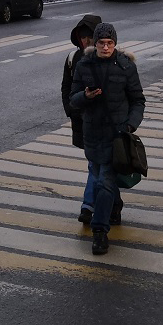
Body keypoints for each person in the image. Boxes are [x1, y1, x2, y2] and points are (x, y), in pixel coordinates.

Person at [69, 23, 145, 256]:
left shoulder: (125, 66)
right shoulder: (84, 65)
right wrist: (86, 96)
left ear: (115, 43)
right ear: (95, 43)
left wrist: (131, 124)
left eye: (109, 43)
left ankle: (99, 232)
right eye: (101, 43)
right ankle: (115, 205)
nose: (105, 47)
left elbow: (138, 100)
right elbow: (73, 98)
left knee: (104, 182)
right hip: (93, 135)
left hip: (117, 136)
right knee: (103, 180)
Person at [60, 14, 109, 225]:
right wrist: (71, 110)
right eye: (82, 37)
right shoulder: (73, 58)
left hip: (106, 123)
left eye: (89, 36)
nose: (85, 41)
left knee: (98, 166)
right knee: (97, 166)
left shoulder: (110, 57)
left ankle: (90, 206)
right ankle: (98, 206)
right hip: (83, 122)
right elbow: (66, 88)